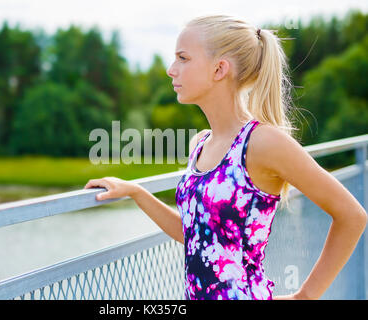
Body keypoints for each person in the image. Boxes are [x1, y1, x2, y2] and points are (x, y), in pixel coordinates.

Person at [84, 14, 367, 300]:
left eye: (183, 58)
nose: (172, 70)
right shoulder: (201, 144)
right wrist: (137, 192)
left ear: (219, 69)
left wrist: (305, 296)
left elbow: (352, 216)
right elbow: (195, 236)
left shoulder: (263, 142)